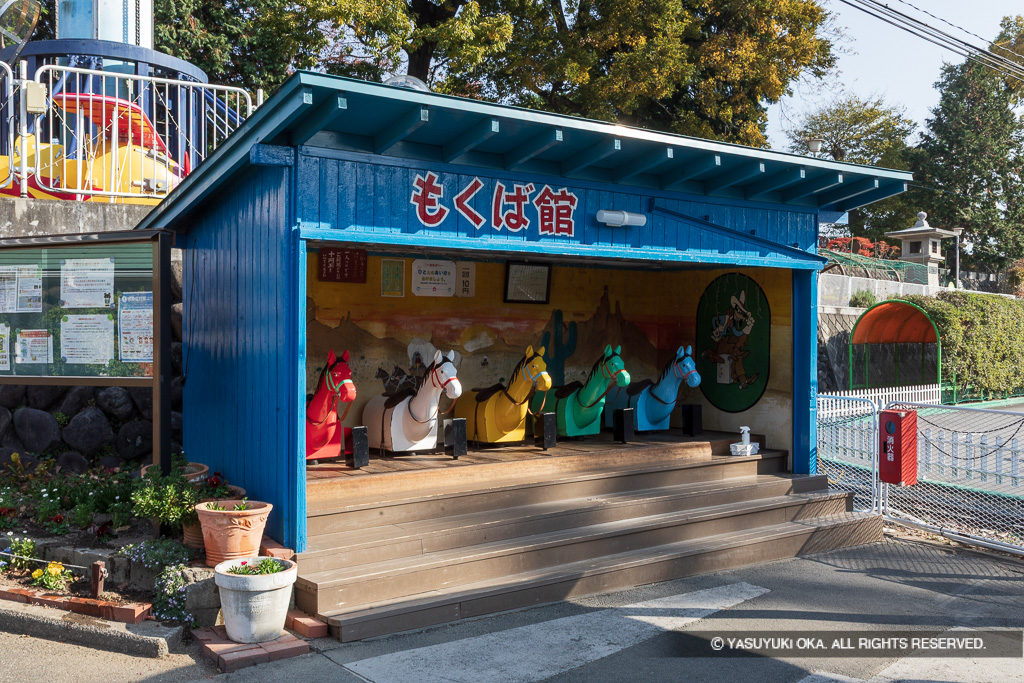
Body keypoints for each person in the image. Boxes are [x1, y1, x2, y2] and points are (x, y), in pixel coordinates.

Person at [705, 291, 759, 389]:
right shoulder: (725, 318)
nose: (741, 316)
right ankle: (743, 377)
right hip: (720, 344)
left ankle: (743, 379)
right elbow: (713, 319)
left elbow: (737, 333)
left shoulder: (732, 321)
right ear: (735, 310)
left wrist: (748, 327)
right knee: (736, 352)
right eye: (739, 312)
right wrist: (716, 329)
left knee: (742, 338)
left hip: (728, 344)